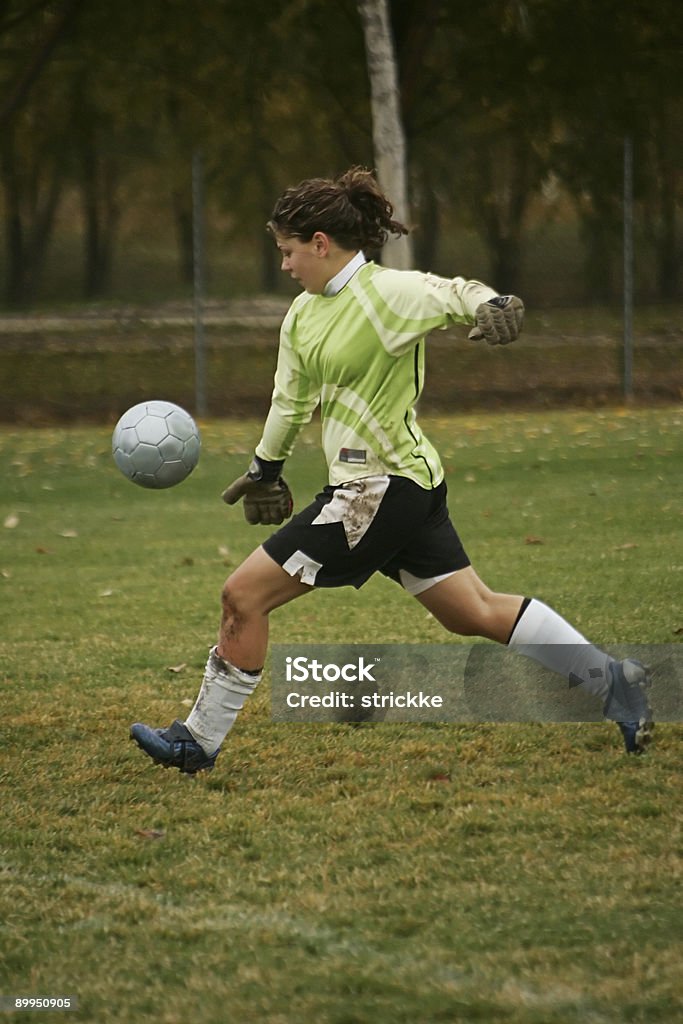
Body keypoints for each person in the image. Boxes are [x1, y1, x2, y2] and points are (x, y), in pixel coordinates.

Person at [130, 167, 652, 774]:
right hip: (394, 489)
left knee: (242, 596)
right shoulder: (302, 314)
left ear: (321, 244)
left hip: (378, 490)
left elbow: (455, 293)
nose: (285, 265)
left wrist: (494, 304)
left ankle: (198, 741)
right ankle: (615, 681)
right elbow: (291, 402)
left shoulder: (386, 294)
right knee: (473, 611)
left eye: (289, 251)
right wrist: (264, 469)